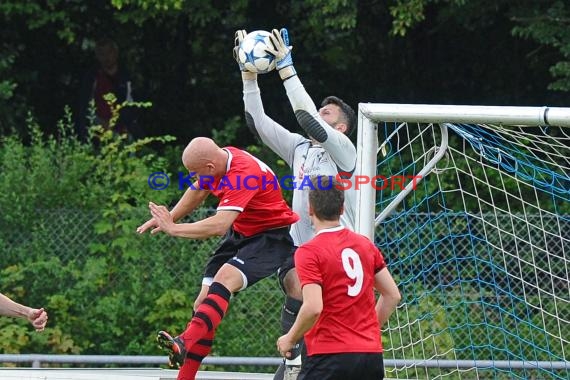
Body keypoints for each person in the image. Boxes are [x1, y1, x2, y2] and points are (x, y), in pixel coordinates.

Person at [234, 28, 358, 380]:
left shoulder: (346, 152)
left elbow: (309, 120)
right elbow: (256, 123)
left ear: (343, 127)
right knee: (294, 283)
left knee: (331, 336)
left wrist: (287, 69)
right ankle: (292, 360)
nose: (321, 112)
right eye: (321, 108)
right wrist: (249, 76)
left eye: (329, 112)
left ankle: (300, 359)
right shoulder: (300, 149)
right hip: (302, 249)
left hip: (337, 251)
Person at [137, 137, 299, 380]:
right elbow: (199, 188)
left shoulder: (244, 172)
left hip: (269, 238)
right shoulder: (219, 160)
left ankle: (185, 341)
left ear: (210, 167)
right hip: (242, 234)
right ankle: (185, 370)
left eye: (194, 173)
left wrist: (173, 229)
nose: (192, 177)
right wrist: (170, 216)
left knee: (224, 279)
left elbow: (219, 226)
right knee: (201, 304)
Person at [276, 176, 401, 380]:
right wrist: (366, 331)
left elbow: (313, 306)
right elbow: (392, 295)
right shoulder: (365, 245)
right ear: (342, 209)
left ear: (310, 209)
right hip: (370, 356)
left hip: (329, 356)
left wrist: (290, 338)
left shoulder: (309, 252)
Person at [77, 37, 139, 139]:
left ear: (116, 53)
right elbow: (85, 106)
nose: (106, 57)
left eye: (109, 52)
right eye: (102, 53)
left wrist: (117, 124)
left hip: (122, 128)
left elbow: (131, 105)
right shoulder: (92, 78)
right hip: (97, 128)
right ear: (97, 56)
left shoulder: (126, 77)